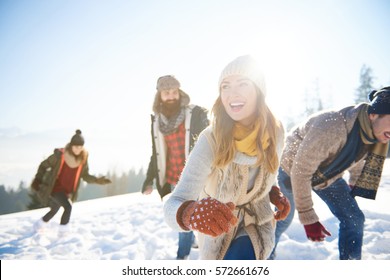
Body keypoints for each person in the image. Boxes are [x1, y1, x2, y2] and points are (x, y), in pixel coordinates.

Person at [163, 55, 290, 260]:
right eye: (225, 86)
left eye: (243, 84)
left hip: (257, 222)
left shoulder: (275, 132)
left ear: (259, 90)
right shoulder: (211, 139)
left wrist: (271, 191)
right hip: (218, 229)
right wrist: (190, 213)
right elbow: (173, 203)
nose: (233, 94)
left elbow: (267, 170)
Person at [271, 86, 390, 260]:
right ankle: (263, 257)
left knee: (354, 219)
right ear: (373, 114)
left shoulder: (373, 136)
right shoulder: (332, 127)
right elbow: (301, 171)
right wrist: (308, 217)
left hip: (327, 173)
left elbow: (357, 157)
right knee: (283, 219)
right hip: (291, 169)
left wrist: (353, 184)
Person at [141, 75, 209, 260]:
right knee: (184, 214)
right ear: (159, 95)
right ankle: (190, 243)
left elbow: (210, 139)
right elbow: (156, 154)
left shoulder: (195, 114)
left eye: (174, 92)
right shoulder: (157, 121)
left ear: (179, 92)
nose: (171, 96)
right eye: (166, 92)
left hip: (194, 175)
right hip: (172, 177)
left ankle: (182, 257)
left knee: (185, 215)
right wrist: (149, 180)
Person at [31, 129, 111, 236]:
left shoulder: (83, 158)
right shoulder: (60, 156)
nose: (78, 149)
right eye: (76, 147)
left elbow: (85, 175)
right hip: (55, 188)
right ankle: (63, 233)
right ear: (71, 145)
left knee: (55, 208)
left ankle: (39, 224)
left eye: (80, 147)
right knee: (68, 207)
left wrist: (97, 180)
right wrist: (38, 179)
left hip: (67, 190)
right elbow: (43, 165)